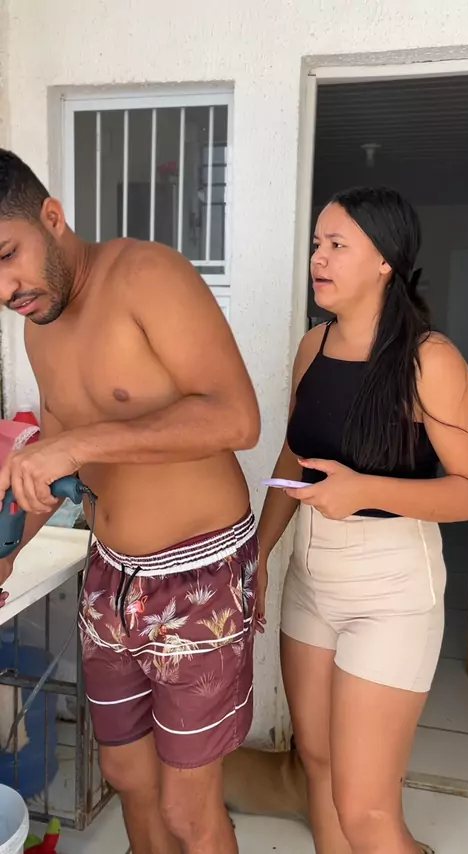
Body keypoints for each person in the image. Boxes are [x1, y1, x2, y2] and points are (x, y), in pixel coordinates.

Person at [0, 149, 261, 854]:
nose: (6, 289)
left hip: (199, 573)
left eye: (8, 255)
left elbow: (237, 417)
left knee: (188, 808)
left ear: (51, 218)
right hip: (109, 574)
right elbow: (58, 467)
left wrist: (79, 444)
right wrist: (7, 551)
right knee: (127, 776)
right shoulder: (38, 329)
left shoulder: (148, 275)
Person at [256, 186, 468, 854]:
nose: (318, 258)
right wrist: (259, 554)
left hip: (392, 590)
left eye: (337, 245)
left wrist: (363, 491)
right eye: (316, 244)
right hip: (310, 577)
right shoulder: (314, 345)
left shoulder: (428, 359)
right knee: (318, 765)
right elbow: (294, 455)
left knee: (366, 811)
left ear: (386, 260)